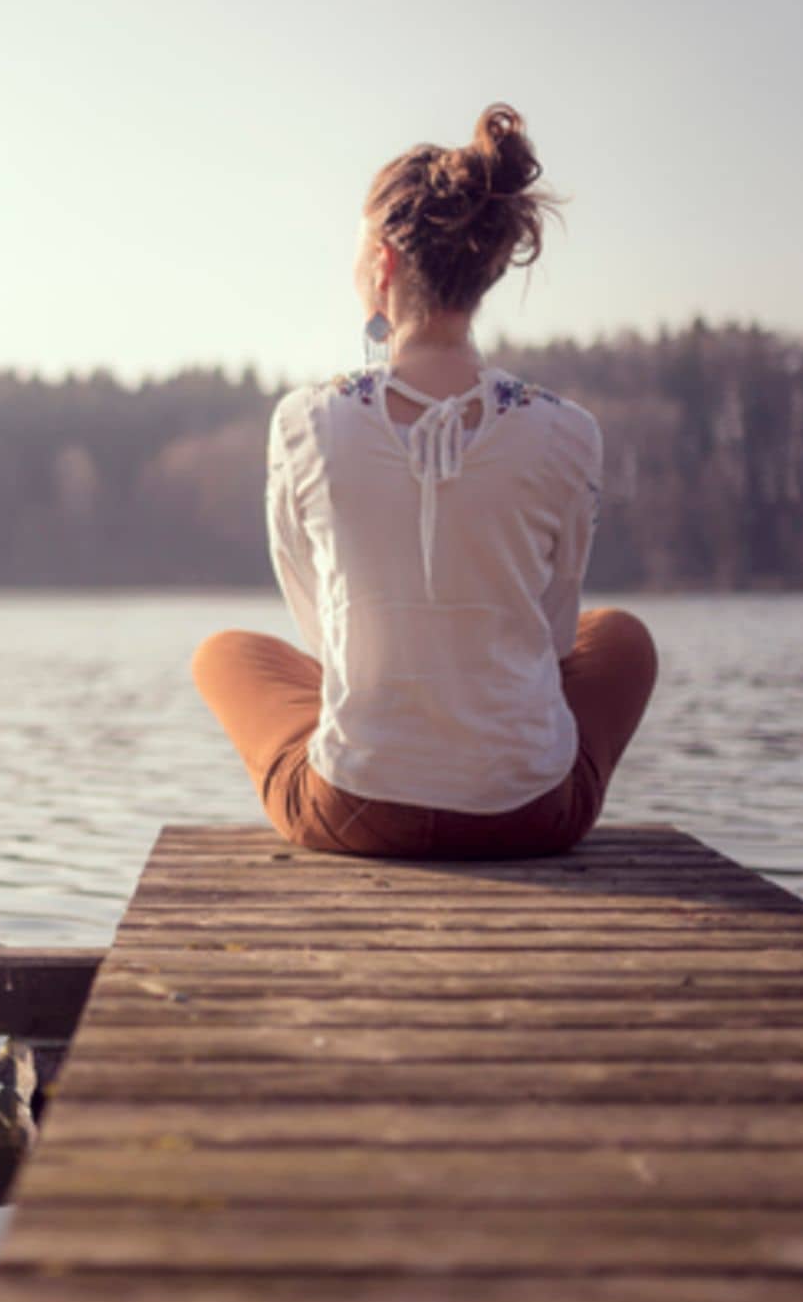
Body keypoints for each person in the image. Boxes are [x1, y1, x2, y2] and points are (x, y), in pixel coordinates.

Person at [193, 103, 656, 859]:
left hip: (356, 808)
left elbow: (318, 624)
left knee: (223, 654)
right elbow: (553, 628)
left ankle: (392, 735)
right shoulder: (570, 431)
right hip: (530, 814)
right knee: (621, 639)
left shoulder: (304, 421)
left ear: (383, 263)